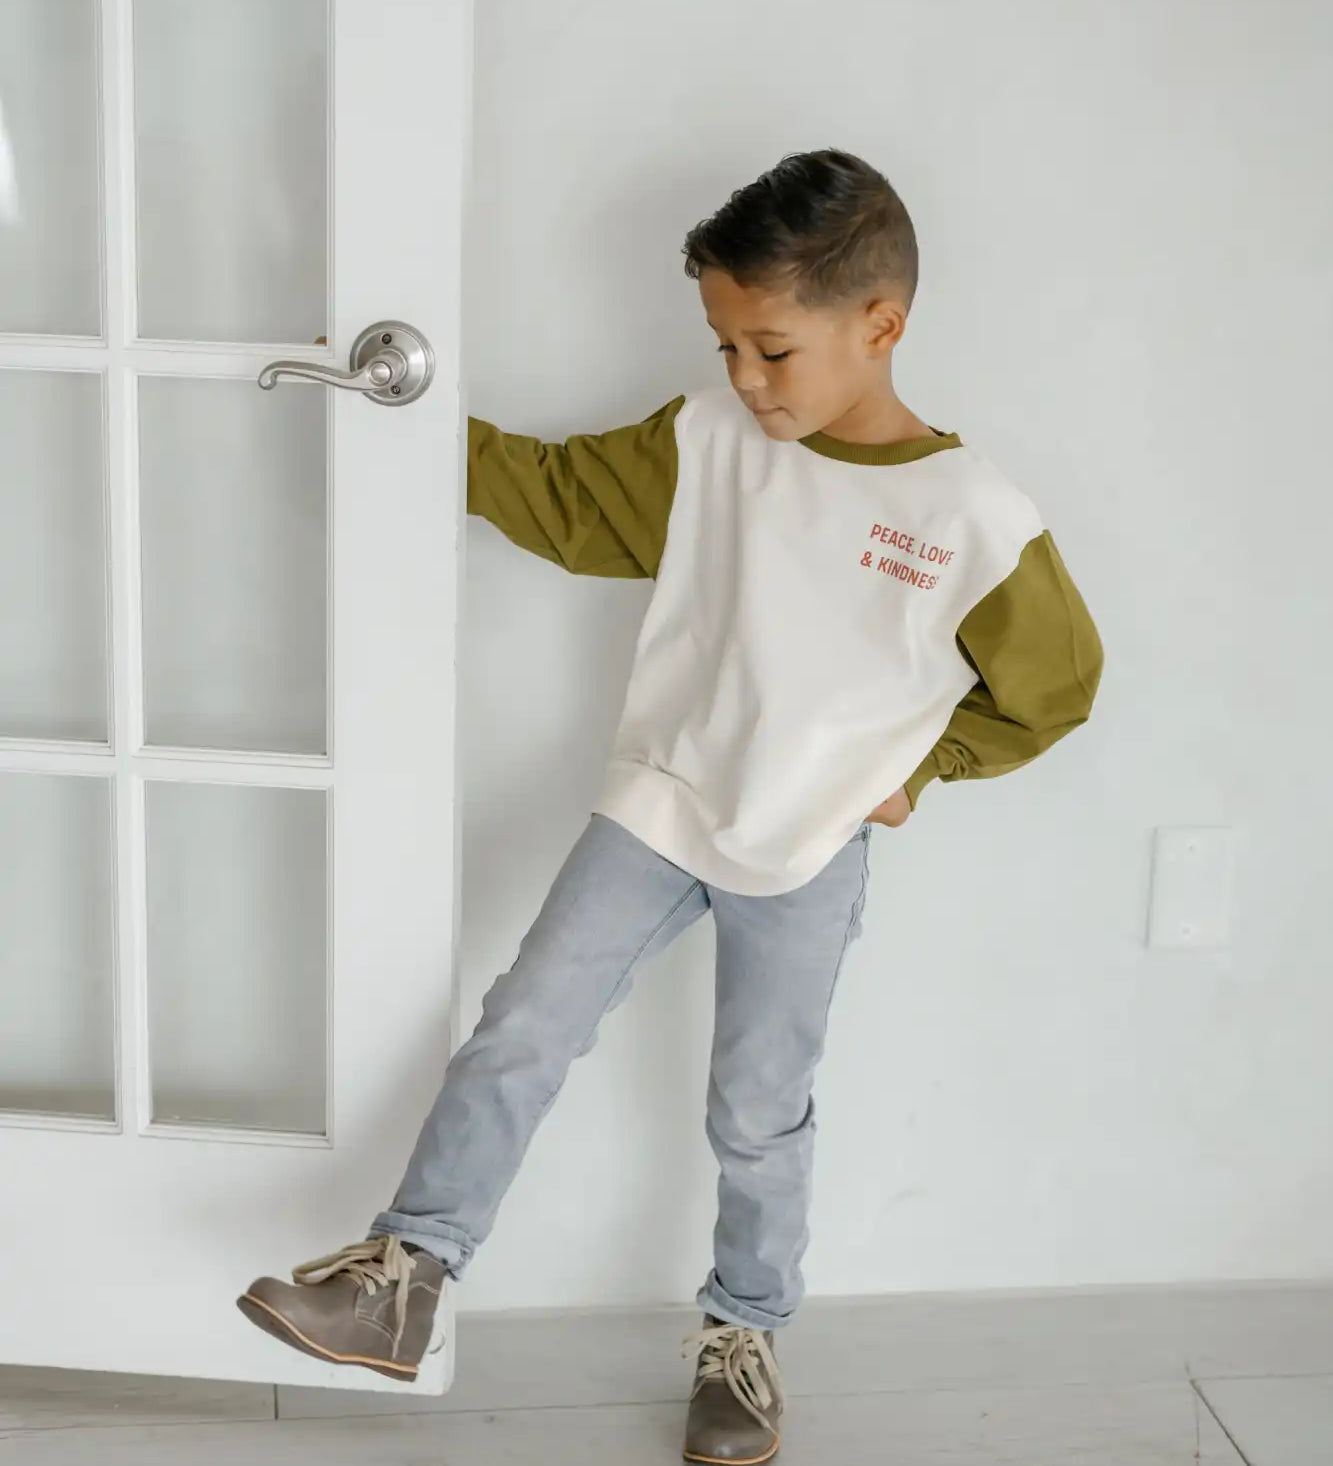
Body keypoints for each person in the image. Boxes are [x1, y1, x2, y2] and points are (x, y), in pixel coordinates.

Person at [238, 148, 1103, 1464]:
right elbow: (560, 500)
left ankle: (742, 1335)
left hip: (806, 844)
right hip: (660, 802)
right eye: (725, 349)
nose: (744, 382)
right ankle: (401, 1279)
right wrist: (393, 414)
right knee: (519, 1027)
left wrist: (922, 768)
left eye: (770, 349)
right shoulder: (705, 442)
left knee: (757, 1109)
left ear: (879, 325)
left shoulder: (971, 518)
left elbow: (1053, 690)